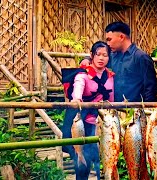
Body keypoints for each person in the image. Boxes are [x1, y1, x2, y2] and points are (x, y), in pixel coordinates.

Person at [61, 41, 114, 180]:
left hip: (102, 124)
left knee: (101, 160)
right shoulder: (82, 75)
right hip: (83, 124)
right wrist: (77, 99)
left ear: (109, 58)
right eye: (98, 54)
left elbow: (113, 100)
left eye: (105, 55)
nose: (101, 58)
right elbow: (77, 93)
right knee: (82, 164)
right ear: (92, 55)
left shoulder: (111, 77)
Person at [81, 21, 157, 102]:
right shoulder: (112, 56)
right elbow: (98, 57)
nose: (107, 44)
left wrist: (147, 109)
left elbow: (151, 88)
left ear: (121, 37)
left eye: (109, 39)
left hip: (134, 109)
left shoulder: (141, 57)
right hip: (114, 108)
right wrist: (87, 59)